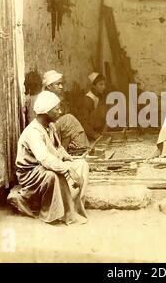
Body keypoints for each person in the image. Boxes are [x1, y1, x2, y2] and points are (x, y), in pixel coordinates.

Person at [7, 91, 89, 225]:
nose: (60, 111)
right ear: (46, 112)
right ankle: (56, 212)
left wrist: (65, 157)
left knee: (82, 164)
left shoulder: (50, 126)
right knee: (55, 173)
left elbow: (56, 147)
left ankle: (71, 206)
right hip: (31, 173)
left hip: (43, 167)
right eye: (57, 109)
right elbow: (44, 158)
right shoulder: (33, 132)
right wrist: (68, 169)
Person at [42, 70, 89, 155]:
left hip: (54, 129)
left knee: (69, 120)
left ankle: (76, 149)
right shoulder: (44, 98)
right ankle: (79, 149)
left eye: (61, 84)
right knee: (69, 120)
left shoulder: (55, 97)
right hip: (46, 130)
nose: (61, 87)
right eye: (58, 84)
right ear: (49, 86)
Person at [77, 72, 108, 142]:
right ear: (93, 86)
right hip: (90, 135)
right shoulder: (88, 99)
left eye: (104, 84)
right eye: (101, 85)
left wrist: (104, 131)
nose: (104, 87)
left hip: (100, 132)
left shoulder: (100, 96)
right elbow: (84, 122)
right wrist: (95, 135)